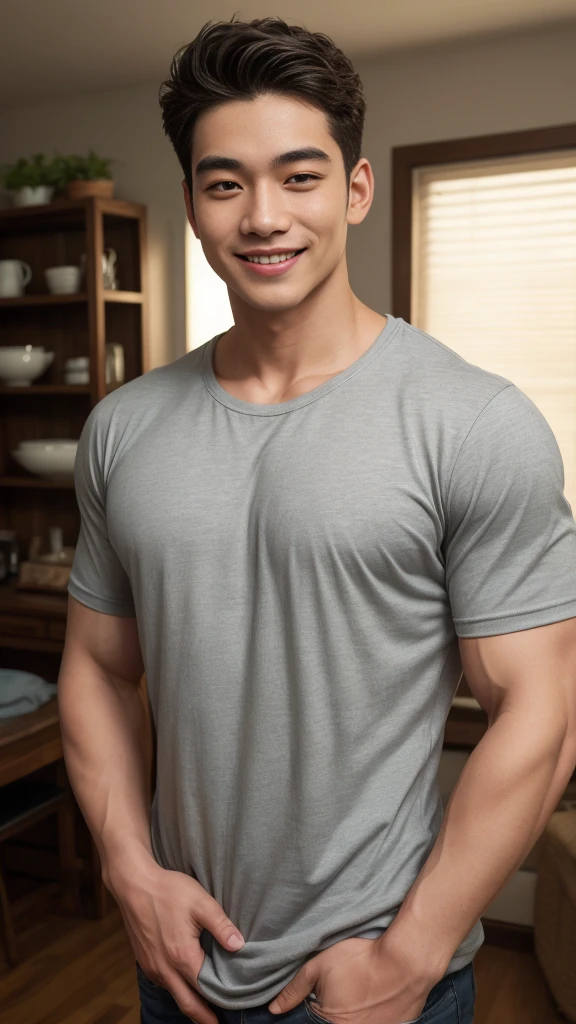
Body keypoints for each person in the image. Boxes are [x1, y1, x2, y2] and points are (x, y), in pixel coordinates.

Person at [57, 16, 576, 1024]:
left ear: (356, 190)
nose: (262, 216)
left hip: (383, 980)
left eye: (299, 176)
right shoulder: (121, 429)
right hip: (183, 962)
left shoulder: (472, 421)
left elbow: (544, 711)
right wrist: (130, 872)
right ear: (194, 206)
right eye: (225, 183)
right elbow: (96, 666)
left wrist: (410, 955)